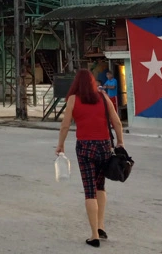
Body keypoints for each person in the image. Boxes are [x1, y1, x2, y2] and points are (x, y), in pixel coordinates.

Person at [55, 69, 124, 248]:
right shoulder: (102, 97)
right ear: (93, 82)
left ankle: (94, 235)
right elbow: (116, 121)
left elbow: (65, 125)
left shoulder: (73, 99)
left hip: (85, 147)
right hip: (104, 146)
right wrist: (120, 142)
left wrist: (60, 144)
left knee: (89, 190)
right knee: (100, 185)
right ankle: (101, 226)